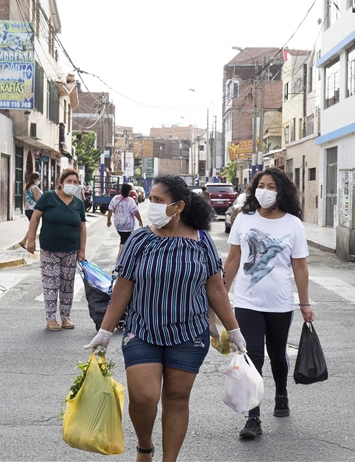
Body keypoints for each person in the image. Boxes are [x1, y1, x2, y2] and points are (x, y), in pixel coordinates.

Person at [84, 175, 246, 462]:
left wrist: (233, 329)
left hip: (189, 334)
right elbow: (123, 286)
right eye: (152, 199)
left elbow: (216, 288)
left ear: (179, 206)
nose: (152, 205)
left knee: (177, 398)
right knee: (144, 398)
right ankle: (145, 447)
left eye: (159, 200)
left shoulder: (201, 241)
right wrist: (105, 331)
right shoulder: (140, 239)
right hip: (142, 330)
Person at [223, 167, 314, 440]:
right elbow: (233, 260)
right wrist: (222, 295)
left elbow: (299, 267)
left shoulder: (293, 224)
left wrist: (305, 303)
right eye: (261, 185)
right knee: (252, 356)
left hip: (280, 302)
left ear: (282, 191)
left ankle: (282, 393)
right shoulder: (243, 219)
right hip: (247, 301)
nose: (265, 190)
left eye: (272, 186)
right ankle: (253, 417)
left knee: (277, 355)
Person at [25, 169, 87, 331]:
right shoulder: (48, 197)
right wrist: (31, 240)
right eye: (69, 181)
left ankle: (66, 317)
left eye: (75, 182)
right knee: (51, 284)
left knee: (67, 285)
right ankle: (51, 319)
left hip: (70, 251)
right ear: (60, 183)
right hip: (49, 250)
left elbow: (82, 228)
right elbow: (35, 218)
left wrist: (82, 250)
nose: (72, 185)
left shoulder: (78, 203)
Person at [107, 183, 143, 259]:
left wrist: (108, 220)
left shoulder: (115, 198)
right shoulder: (130, 200)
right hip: (127, 225)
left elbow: (110, 209)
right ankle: (120, 255)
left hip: (118, 224)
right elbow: (136, 212)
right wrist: (140, 221)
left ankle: (123, 254)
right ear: (129, 191)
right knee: (124, 239)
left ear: (121, 190)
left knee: (124, 238)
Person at [19, 172, 42, 248]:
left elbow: (24, 199)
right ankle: (27, 242)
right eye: (38, 179)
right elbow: (37, 199)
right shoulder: (35, 188)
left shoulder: (26, 188)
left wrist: (24, 208)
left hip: (27, 209)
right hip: (34, 209)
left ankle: (24, 241)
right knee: (34, 227)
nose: (39, 180)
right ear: (34, 179)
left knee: (32, 227)